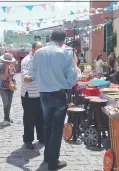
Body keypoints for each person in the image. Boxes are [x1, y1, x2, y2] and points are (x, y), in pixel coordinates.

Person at [32, 29, 77, 170]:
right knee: (57, 128)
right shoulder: (64, 53)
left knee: (48, 126)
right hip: (58, 94)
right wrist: (65, 85)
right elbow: (72, 77)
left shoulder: (38, 53)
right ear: (63, 41)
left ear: (50, 37)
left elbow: (34, 75)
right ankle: (53, 161)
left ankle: (47, 156)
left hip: (44, 95)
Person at [21, 41, 44, 149]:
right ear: (33, 49)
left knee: (41, 117)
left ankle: (42, 137)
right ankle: (28, 140)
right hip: (29, 95)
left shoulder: (42, 60)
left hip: (40, 94)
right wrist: (37, 75)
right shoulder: (26, 61)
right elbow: (25, 78)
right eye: (39, 49)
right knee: (29, 119)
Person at [0, 53, 16, 126]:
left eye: (9, 61)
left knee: (9, 103)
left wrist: (13, 81)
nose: (8, 63)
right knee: (6, 103)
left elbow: (13, 75)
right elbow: (4, 78)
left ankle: (7, 117)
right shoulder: (0, 67)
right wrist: (6, 67)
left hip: (10, 88)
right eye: (7, 62)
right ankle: (6, 119)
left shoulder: (12, 67)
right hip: (3, 88)